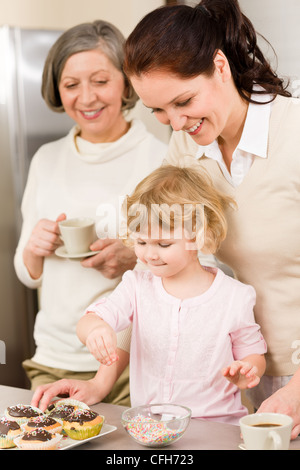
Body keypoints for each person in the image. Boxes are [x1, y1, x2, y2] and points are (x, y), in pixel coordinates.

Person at [122, 0, 300, 436]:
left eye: (183, 101)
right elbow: (164, 260)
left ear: (220, 66)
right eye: (159, 111)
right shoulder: (186, 148)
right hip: (239, 373)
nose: (176, 122)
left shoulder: (292, 135)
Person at [14, 20, 167, 407]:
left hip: (133, 363)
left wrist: (134, 256)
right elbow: (27, 273)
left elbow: (200, 262)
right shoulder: (46, 159)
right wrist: (34, 249)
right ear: (57, 89)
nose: (86, 98)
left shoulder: (159, 158)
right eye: (71, 85)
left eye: (100, 81)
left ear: (126, 83)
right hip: (52, 358)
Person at [77, 165, 266, 425]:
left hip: (216, 429)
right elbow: (90, 320)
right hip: (150, 427)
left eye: (163, 244)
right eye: (141, 242)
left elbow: (253, 354)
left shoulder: (235, 296)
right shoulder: (136, 285)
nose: (150, 254)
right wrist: (96, 330)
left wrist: (248, 370)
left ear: (199, 236)